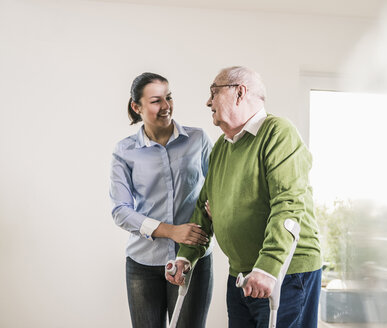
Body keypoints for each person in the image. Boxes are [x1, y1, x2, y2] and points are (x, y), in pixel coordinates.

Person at [167, 66, 322, 328]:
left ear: (239, 92)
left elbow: (288, 203)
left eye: (213, 93)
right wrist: (185, 256)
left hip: (285, 272)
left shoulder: (277, 133)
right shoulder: (221, 147)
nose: (208, 102)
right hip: (240, 275)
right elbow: (204, 210)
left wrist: (269, 266)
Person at [110, 72, 213, 328]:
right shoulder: (125, 151)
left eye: (168, 97)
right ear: (137, 107)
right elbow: (121, 211)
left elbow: (216, 191)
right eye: (156, 100)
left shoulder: (198, 140)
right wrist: (171, 232)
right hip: (143, 265)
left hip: (193, 260)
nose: (166, 106)